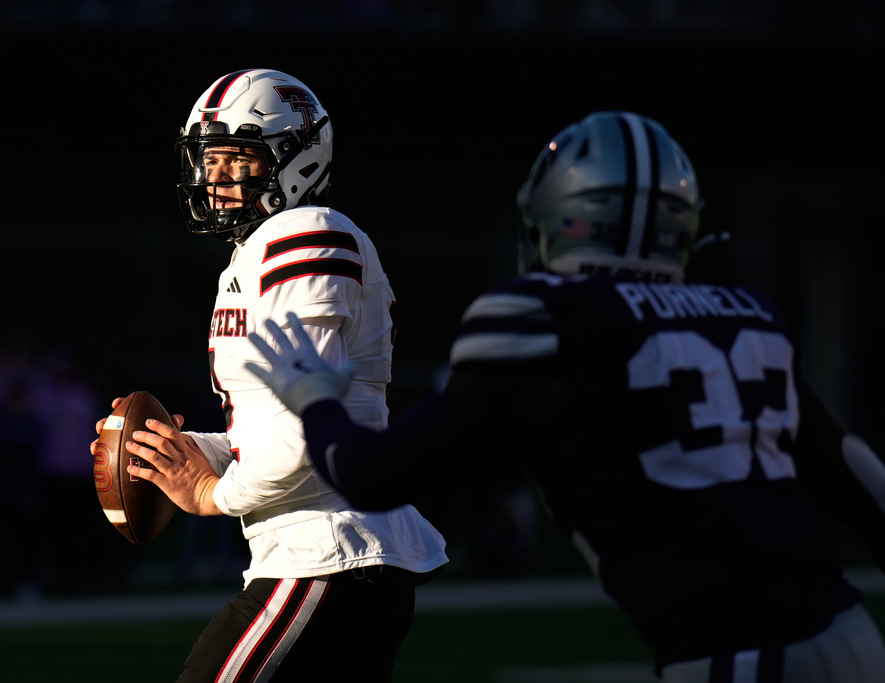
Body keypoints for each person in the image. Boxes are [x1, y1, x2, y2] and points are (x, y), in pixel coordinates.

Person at [245, 111, 885, 682]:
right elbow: (863, 483)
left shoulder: (539, 319)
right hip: (853, 637)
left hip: (732, 658)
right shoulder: (746, 315)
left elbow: (369, 476)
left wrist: (315, 397)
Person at [92, 69, 447, 683]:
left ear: (296, 160)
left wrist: (211, 494)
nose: (217, 178)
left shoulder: (305, 234)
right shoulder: (256, 252)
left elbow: (307, 432)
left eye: (238, 159)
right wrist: (173, 453)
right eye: (210, 160)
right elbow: (279, 429)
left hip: (327, 554)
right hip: (336, 558)